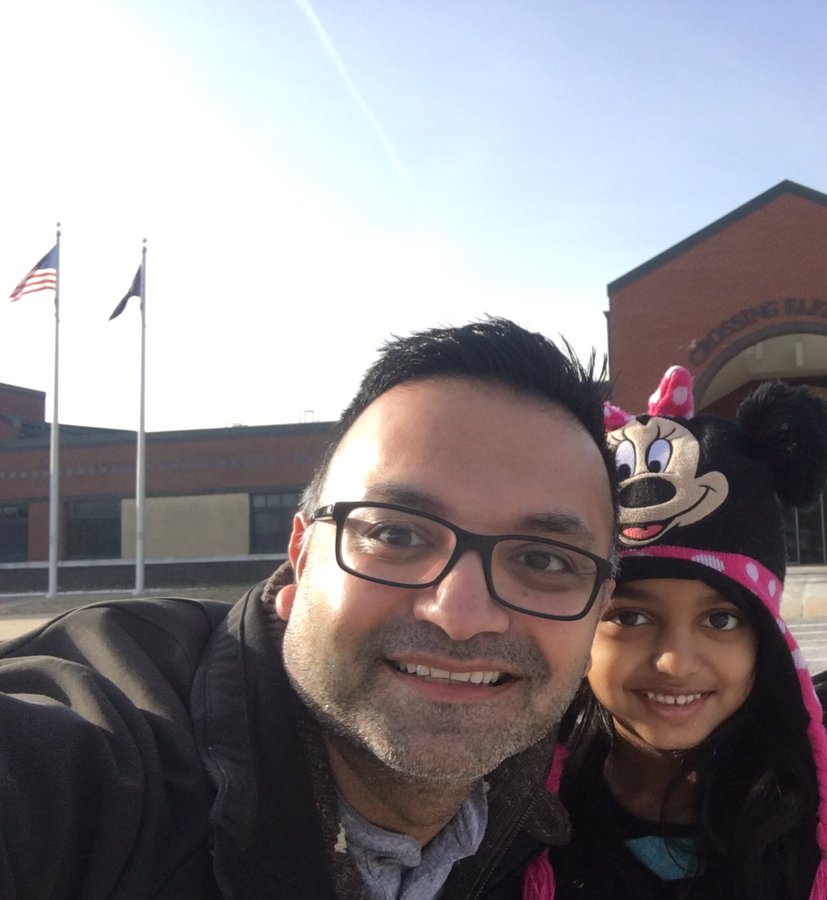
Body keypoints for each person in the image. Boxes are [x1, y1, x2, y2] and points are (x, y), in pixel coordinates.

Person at [0, 318, 619, 899]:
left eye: (544, 560)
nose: (459, 614)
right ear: (301, 557)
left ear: (599, 611)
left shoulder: (577, 810)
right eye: (397, 534)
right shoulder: (99, 761)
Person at [550, 366, 827, 899]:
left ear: (765, 640)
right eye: (631, 617)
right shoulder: (522, 812)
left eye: (721, 620)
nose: (676, 661)